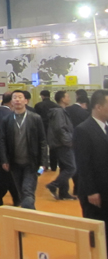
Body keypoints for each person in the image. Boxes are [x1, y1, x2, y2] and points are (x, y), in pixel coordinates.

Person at [73, 89, 108, 255]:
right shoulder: (83, 130)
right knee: (97, 233)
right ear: (99, 107)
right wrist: (91, 191)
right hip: (94, 193)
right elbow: (83, 164)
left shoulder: (105, 127)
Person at [0, 90, 48, 209]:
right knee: (21, 193)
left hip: (31, 162)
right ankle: (28, 216)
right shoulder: (7, 119)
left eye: (20, 97)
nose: (17, 100)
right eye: (14, 97)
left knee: (27, 191)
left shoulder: (35, 118)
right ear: (11, 102)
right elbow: (2, 140)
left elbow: (42, 141)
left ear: (26, 101)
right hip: (14, 163)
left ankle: (29, 218)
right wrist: (4, 159)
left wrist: (43, 162)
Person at [0, 92, 20, 209]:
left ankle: (17, 197)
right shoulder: (10, 115)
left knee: (8, 174)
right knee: (4, 175)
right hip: (6, 151)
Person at [45, 91, 76, 200]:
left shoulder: (60, 111)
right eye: (67, 96)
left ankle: (64, 192)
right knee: (71, 168)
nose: (69, 98)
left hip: (60, 143)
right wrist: (68, 141)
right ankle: (54, 185)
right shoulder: (59, 112)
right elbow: (60, 128)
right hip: (62, 144)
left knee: (64, 167)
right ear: (62, 99)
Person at [34, 89, 58, 171]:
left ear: (42, 96)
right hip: (52, 128)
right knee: (53, 147)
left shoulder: (38, 105)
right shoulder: (55, 105)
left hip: (42, 128)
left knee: (42, 147)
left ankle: (44, 165)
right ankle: (54, 166)